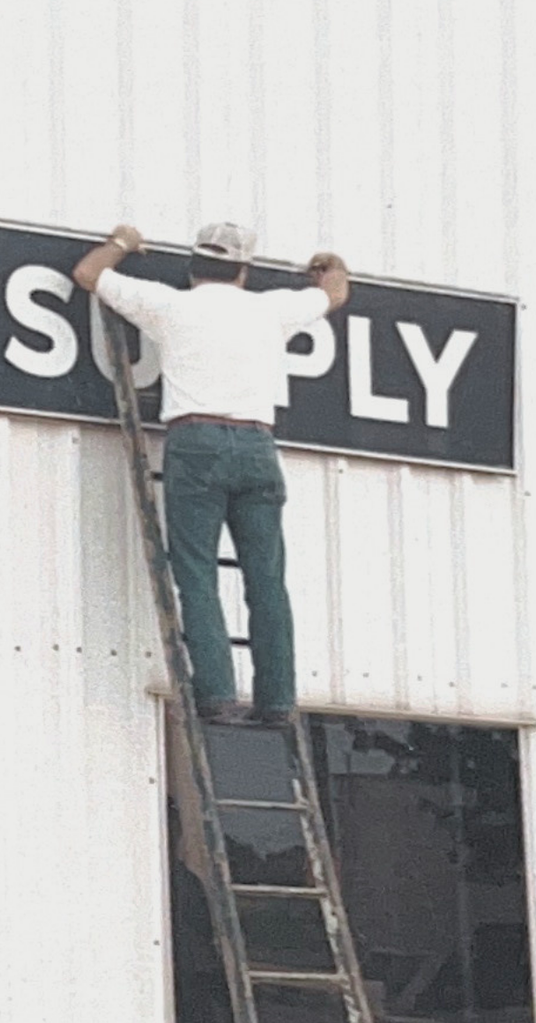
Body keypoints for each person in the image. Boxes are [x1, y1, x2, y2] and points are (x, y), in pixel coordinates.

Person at [74, 222, 350, 726]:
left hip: (196, 441)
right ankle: (277, 701)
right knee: (266, 579)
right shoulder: (271, 309)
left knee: (197, 573)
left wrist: (124, 242)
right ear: (243, 270)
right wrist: (328, 266)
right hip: (258, 444)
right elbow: (335, 292)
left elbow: (89, 273)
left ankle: (219, 693)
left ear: (193, 265)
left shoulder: (170, 305)